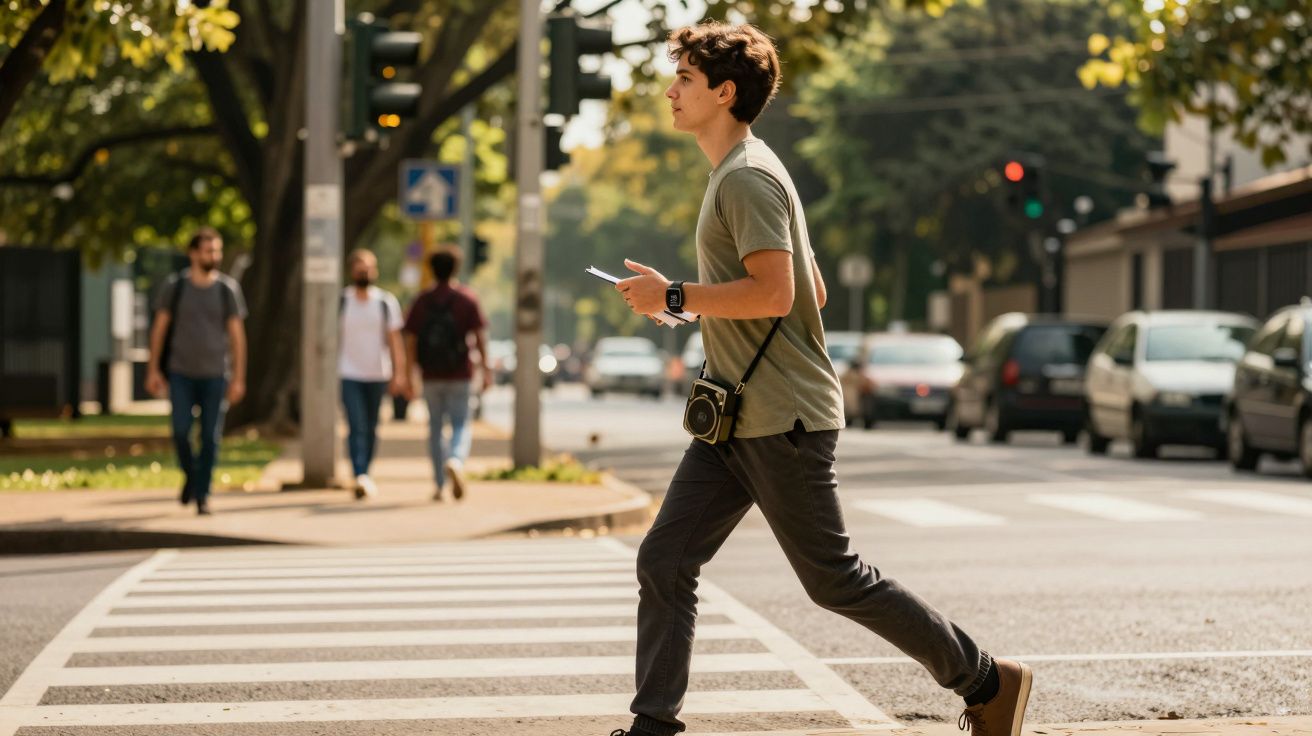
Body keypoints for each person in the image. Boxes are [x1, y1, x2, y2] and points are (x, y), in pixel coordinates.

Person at [612, 22, 1031, 736]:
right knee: (665, 559)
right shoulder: (745, 170)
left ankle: (987, 680)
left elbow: (778, 294)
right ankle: (654, 725)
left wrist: (677, 294)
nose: (670, 90)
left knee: (834, 579)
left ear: (724, 92)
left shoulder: (746, 176)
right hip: (736, 415)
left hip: (783, 417)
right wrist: (693, 306)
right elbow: (813, 290)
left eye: (684, 78)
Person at [146, 227, 248, 516]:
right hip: (181, 373)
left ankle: (203, 495)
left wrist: (239, 377)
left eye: (217, 250)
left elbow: (237, 337)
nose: (214, 256)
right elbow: (159, 330)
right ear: (193, 253)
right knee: (180, 431)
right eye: (208, 251)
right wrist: (153, 370)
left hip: (216, 375)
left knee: (210, 438)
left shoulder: (227, 290)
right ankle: (191, 475)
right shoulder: (175, 287)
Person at [403, 247, 492, 502]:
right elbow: (479, 337)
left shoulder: (422, 300)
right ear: (456, 268)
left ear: (431, 269)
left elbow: (410, 340)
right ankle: (455, 459)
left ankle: (439, 485)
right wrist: (486, 371)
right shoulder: (467, 299)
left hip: (431, 375)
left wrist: (409, 374)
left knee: (435, 428)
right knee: (461, 424)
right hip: (460, 373)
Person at [338, 249, 408, 499]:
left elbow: (395, 341)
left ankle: (366, 471)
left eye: (368, 268)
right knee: (355, 424)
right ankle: (359, 473)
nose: (364, 273)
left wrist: (399, 373)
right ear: (351, 271)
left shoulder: (385, 302)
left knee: (371, 426)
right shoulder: (342, 302)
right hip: (348, 372)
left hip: (378, 373)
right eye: (360, 268)